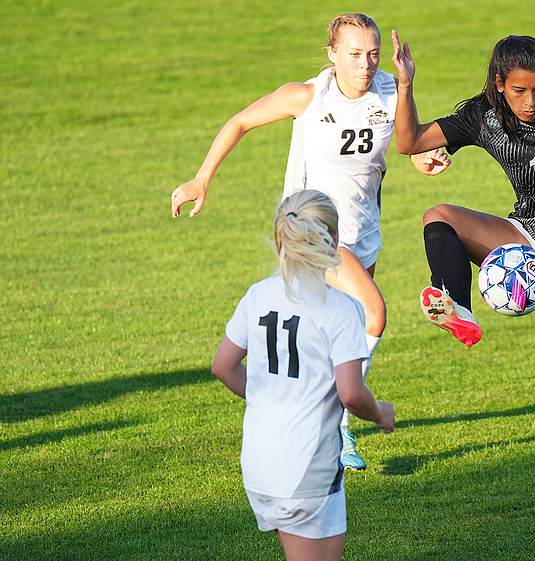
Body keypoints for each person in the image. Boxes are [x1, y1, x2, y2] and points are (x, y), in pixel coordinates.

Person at [390, 31, 535, 561]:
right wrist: (405, 84)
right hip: (528, 239)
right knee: (440, 215)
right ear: (500, 85)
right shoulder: (484, 116)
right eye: (520, 91)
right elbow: (408, 143)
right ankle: (456, 307)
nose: (532, 101)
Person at [172, 13, 448, 471]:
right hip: (308, 227)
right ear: (332, 54)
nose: (365, 65)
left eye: (373, 54)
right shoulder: (308, 96)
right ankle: (336, 423)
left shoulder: (388, 91)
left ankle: (314, 420)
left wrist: (427, 158)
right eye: (355, 54)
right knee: (375, 313)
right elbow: (240, 121)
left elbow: (407, 146)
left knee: (342, 329)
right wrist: (202, 179)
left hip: (362, 232)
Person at [211, 189, 396, 561]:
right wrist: (380, 413)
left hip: (258, 457)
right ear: (333, 239)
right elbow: (351, 392)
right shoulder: (341, 309)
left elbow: (223, 366)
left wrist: (268, 397)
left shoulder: (258, 295)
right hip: (306, 463)